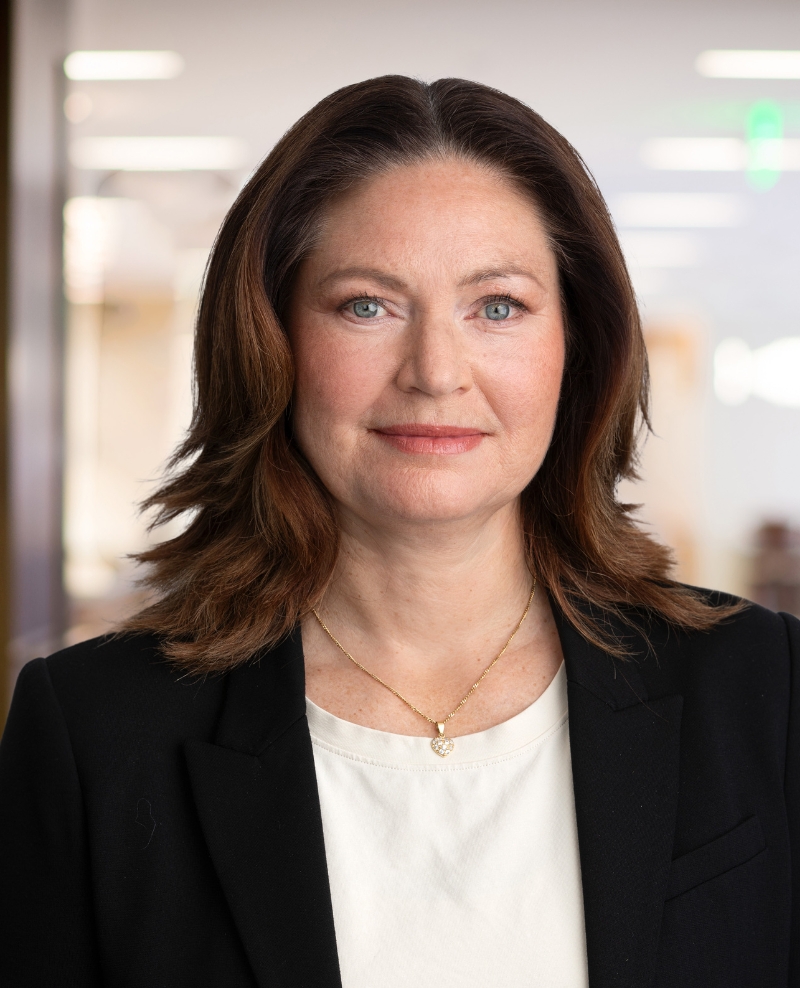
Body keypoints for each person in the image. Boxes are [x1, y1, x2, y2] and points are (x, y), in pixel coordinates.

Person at [1, 75, 798, 988]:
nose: (435, 371)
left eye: (497, 306)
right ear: (271, 343)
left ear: (578, 347)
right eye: (365, 305)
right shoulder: (95, 732)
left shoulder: (765, 689)